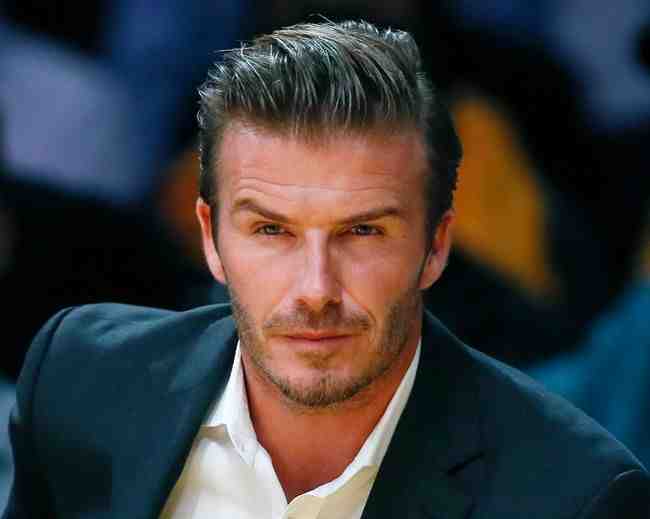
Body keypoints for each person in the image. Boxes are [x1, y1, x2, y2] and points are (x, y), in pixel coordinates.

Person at [3, 20, 649, 519]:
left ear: (436, 246)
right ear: (210, 238)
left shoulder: (574, 497)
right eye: (271, 231)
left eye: (362, 231)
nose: (316, 289)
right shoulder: (78, 381)